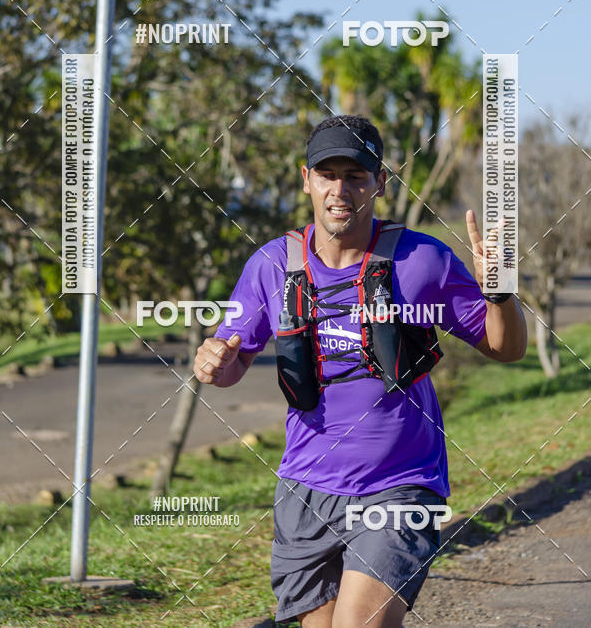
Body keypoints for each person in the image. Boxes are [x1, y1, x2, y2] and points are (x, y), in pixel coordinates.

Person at [193, 114, 527, 628]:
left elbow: (505, 349)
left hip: (400, 485)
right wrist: (213, 361)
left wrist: (500, 292)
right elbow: (233, 358)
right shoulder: (272, 265)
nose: (340, 189)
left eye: (356, 176)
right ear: (306, 179)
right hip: (306, 487)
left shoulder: (422, 260)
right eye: (328, 174)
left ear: (381, 183)